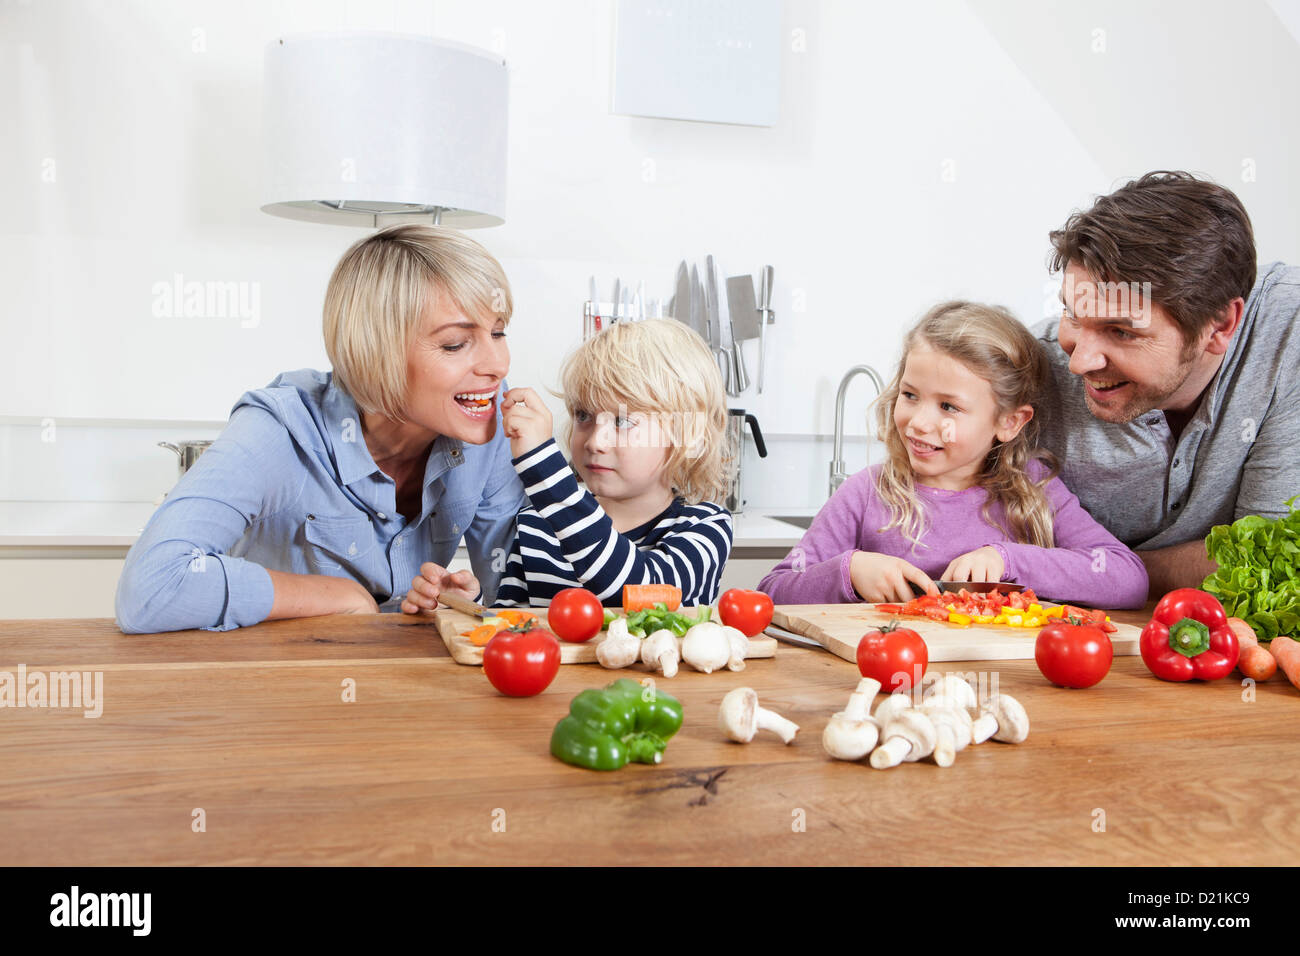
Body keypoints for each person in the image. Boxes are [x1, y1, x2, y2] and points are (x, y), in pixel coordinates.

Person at [114, 224, 526, 633]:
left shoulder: (481, 421)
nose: (497, 365)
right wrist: (339, 597)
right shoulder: (280, 429)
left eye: (498, 332)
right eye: (455, 344)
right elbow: (151, 588)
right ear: (376, 351)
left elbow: (521, 601)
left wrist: (455, 604)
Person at [757, 301, 1149, 608]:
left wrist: (1009, 561)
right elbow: (774, 590)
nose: (919, 423)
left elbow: (1127, 579)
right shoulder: (867, 493)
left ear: (1010, 422)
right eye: (910, 395)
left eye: (948, 407)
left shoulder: (1036, 489)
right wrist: (849, 571)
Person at [1033, 171, 1300, 598]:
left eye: (1121, 331)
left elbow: (1277, 558)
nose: (1079, 361)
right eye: (1073, 315)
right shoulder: (1024, 367)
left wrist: (1102, 572)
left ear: (1220, 324)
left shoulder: (1290, 334)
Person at [404, 319, 732, 611]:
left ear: (689, 435)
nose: (594, 441)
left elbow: (636, 594)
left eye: (622, 421)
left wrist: (543, 466)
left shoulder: (703, 527)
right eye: (583, 416)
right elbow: (512, 626)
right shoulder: (536, 527)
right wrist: (468, 607)